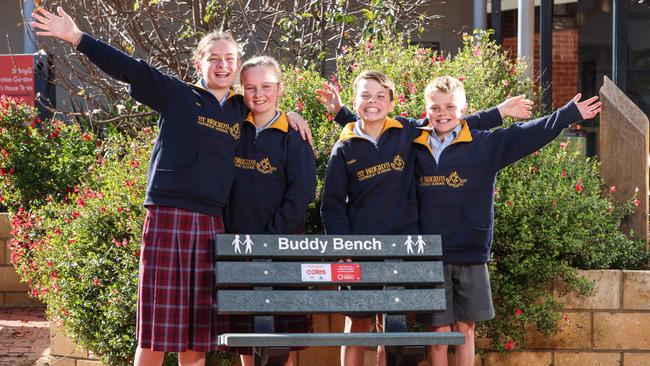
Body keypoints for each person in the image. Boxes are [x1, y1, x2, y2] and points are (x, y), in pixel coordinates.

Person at [30, 7, 311, 366]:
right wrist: (76, 37)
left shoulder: (240, 110)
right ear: (199, 64)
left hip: (212, 225)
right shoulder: (177, 95)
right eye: (214, 58)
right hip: (168, 217)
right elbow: (129, 67)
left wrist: (294, 116)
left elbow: (268, 108)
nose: (222, 65)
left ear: (237, 66)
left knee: (196, 337)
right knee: (156, 336)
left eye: (229, 59)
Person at [319, 71, 529, 366]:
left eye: (380, 96)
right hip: (361, 251)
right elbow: (332, 206)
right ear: (356, 100)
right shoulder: (344, 148)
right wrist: (343, 249)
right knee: (357, 326)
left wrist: (500, 113)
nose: (372, 102)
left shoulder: (406, 132)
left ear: (392, 103)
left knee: (391, 330)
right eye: (365, 96)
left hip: (404, 252)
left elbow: (450, 121)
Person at [412, 76, 600, 366]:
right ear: (426, 110)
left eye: (450, 106)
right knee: (438, 332)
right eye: (434, 107)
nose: (442, 113)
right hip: (429, 254)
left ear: (464, 109)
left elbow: (526, 133)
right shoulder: (414, 144)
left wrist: (567, 115)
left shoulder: (485, 145)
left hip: (471, 254)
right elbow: (380, 128)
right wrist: (497, 112)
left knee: (465, 330)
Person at [224, 56, 317, 366]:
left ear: (280, 89)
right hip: (239, 250)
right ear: (241, 90)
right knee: (247, 344)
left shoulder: (294, 137)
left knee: (281, 345)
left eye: (266, 86)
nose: (258, 94)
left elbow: (301, 194)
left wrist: (271, 238)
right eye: (250, 87)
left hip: (282, 250)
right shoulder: (233, 130)